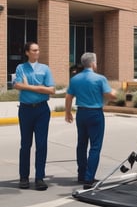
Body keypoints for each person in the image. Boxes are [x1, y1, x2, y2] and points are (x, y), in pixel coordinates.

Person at [65, 52, 117, 189]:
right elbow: (110, 95)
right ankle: (89, 178)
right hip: (95, 114)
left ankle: (81, 174)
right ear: (93, 63)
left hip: (81, 113)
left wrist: (67, 112)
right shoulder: (100, 79)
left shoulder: (75, 79)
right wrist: (115, 93)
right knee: (95, 146)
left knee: (81, 144)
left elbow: (68, 97)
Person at [13, 42, 56, 191]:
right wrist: (40, 88)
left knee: (41, 144)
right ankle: (24, 177)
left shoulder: (45, 69)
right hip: (25, 110)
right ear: (27, 52)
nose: (37, 52)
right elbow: (17, 85)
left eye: (38, 49)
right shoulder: (20, 68)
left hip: (42, 111)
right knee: (25, 144)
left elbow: (51, 90)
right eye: (34, 50)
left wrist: (28, 87)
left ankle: (39, 178)